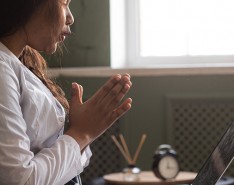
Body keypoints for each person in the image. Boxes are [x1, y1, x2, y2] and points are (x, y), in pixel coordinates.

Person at [0, 0, 132, 184]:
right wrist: (80, 133)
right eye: (64, 3)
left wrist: (80, 132)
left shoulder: (16, 64)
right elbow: (20, 181)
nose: (70, 18)